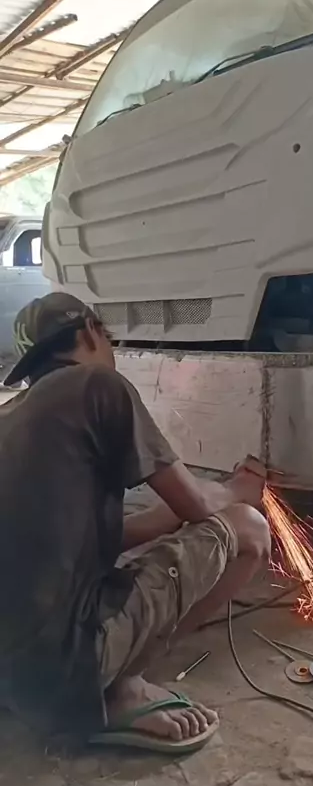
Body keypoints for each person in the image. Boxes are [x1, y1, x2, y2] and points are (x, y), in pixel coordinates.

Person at [0, 292, 271, 753]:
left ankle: (78, 686)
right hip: (67, 670)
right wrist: (236, 489)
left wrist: (169, 518)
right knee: (248, 528)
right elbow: (200, 506)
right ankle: (123, 688)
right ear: (91, 332)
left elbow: (82, 540)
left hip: (14, 678)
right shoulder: (98, 385)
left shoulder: (13, 415)